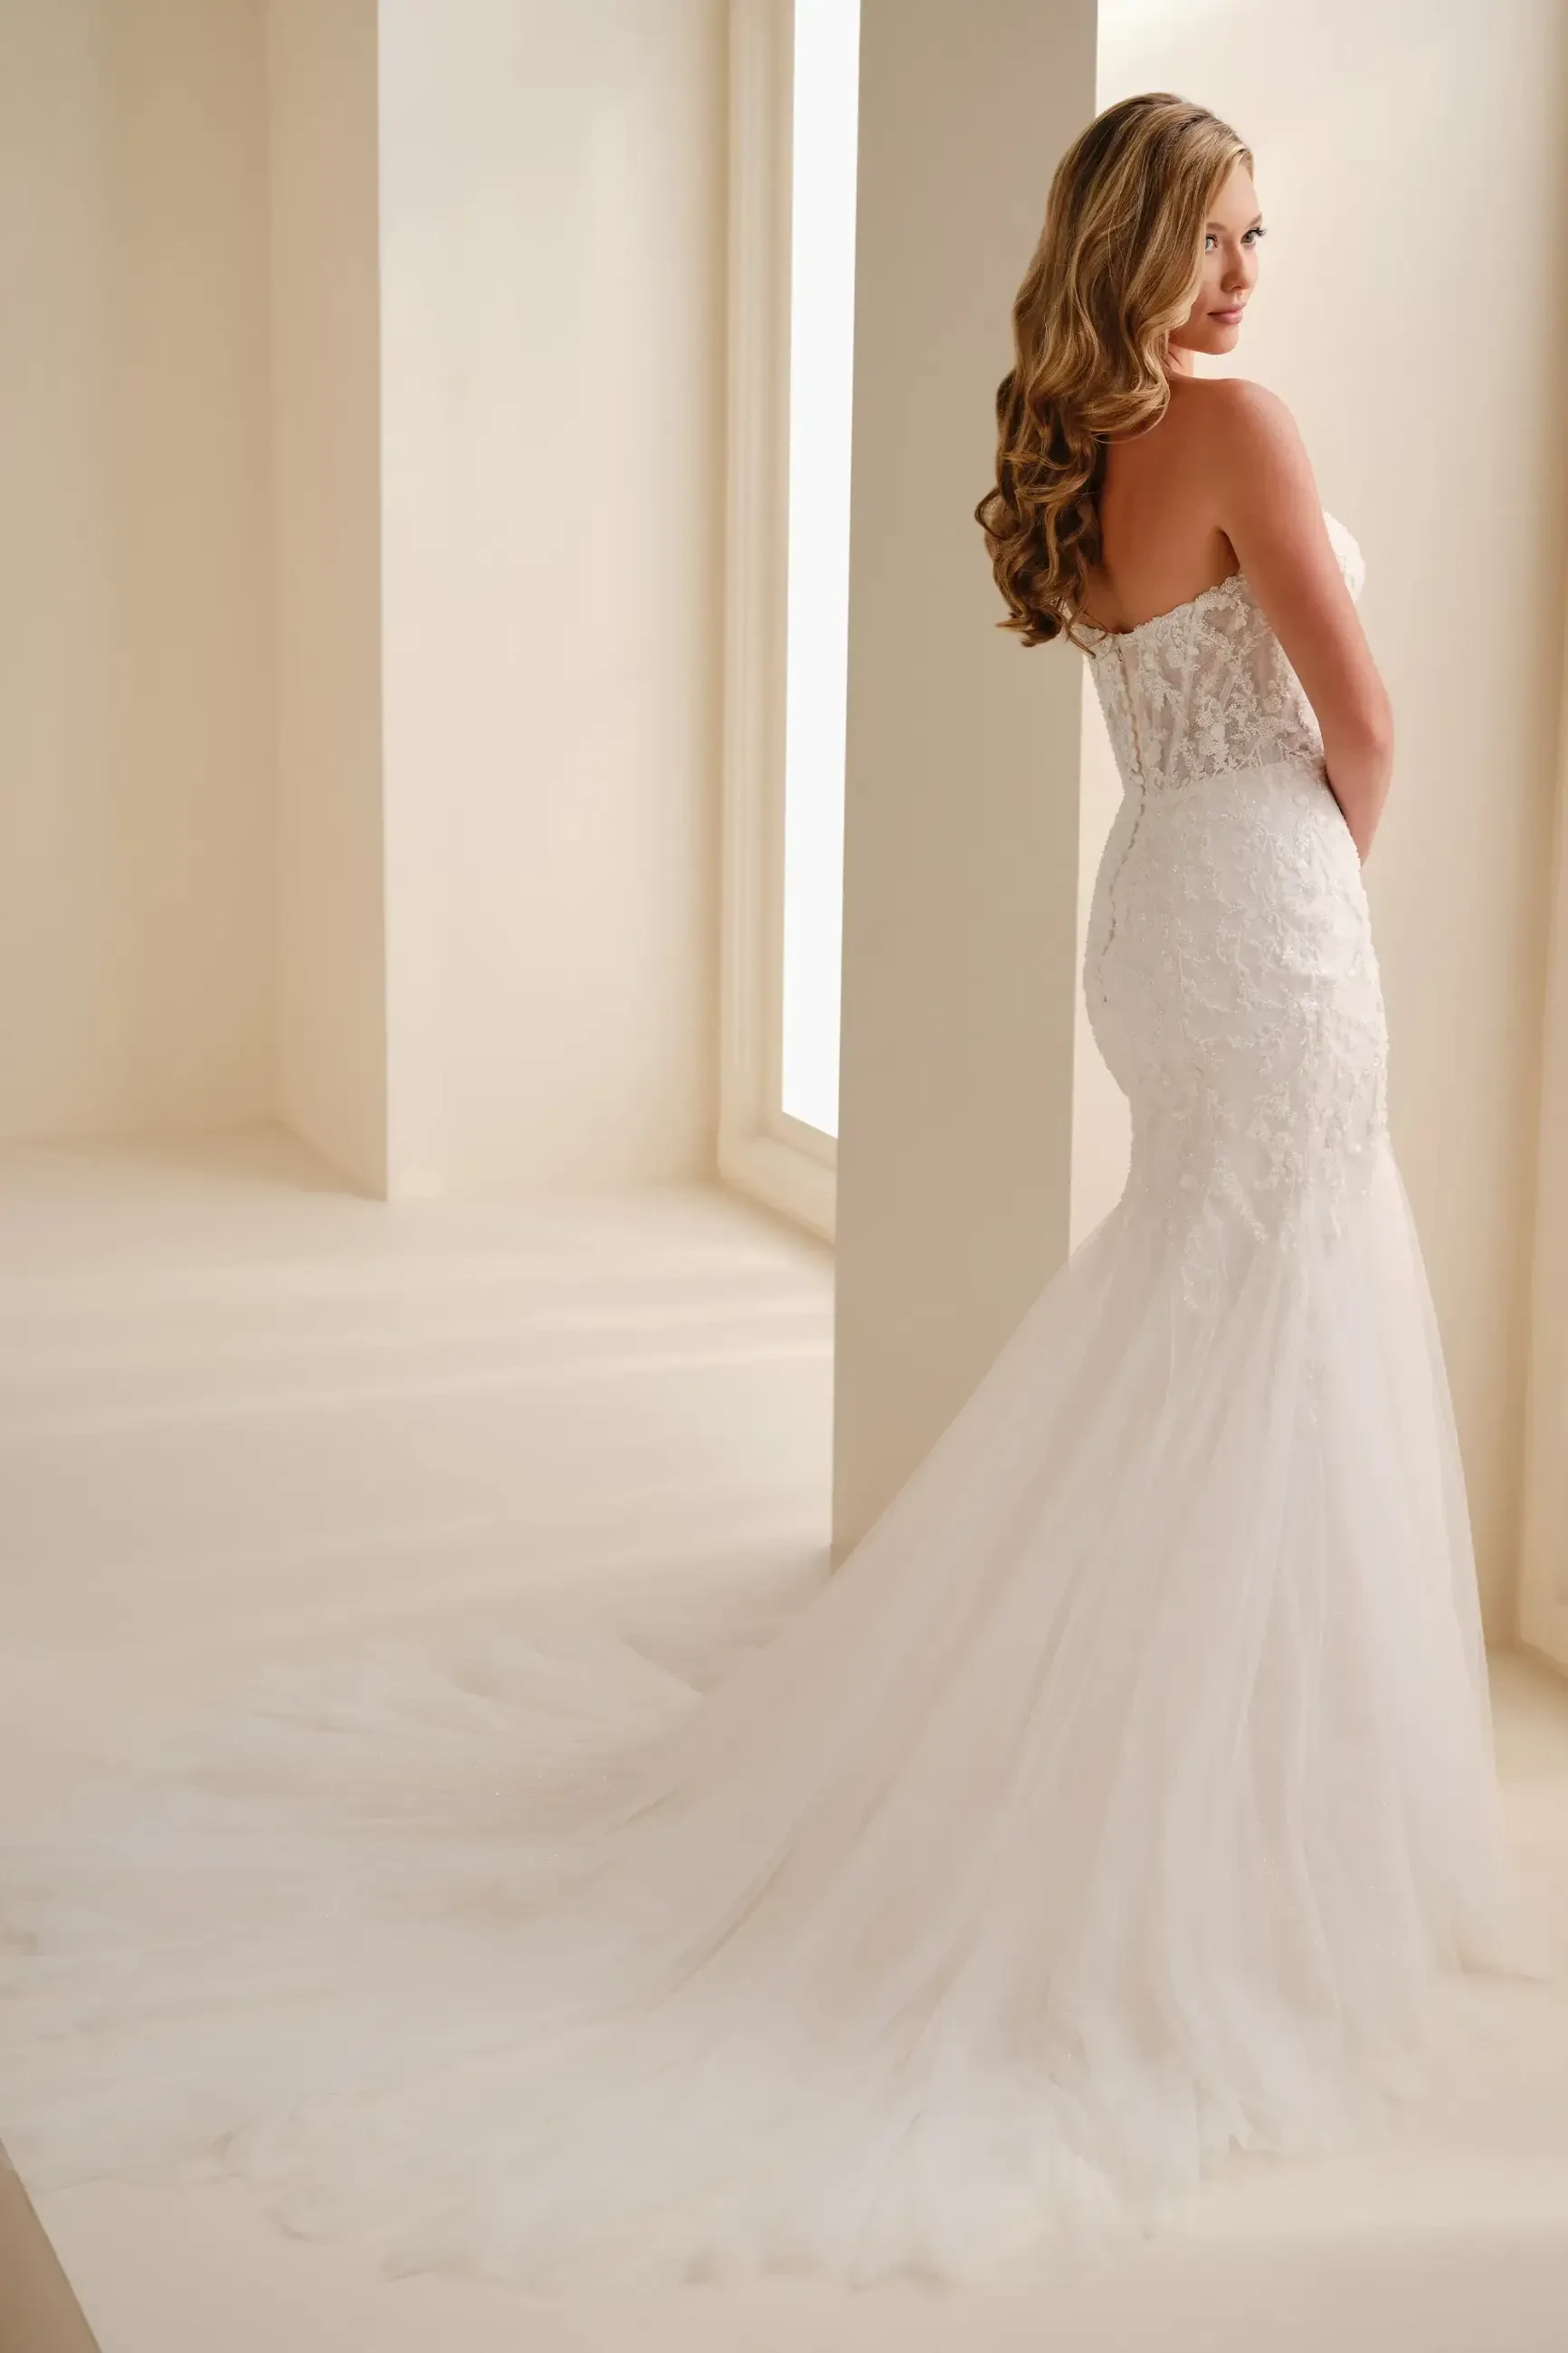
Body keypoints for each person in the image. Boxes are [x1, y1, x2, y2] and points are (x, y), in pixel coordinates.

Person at [0, 91, 1522, 2296]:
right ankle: (1231, 1858)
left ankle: (1151, 1790)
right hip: (1264, 903)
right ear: (1133, 244)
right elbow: (1361, 724)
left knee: (1199, 1308)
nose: (1240, 272)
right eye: (1206, 235)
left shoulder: (1079, 453)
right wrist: (1305, 883)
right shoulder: (1241, 429)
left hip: (1155, 916)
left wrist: (1249, 877)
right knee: (1267, 1314)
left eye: (1254, 234)